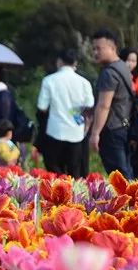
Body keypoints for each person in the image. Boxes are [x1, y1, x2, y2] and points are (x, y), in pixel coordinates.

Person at [36, 49, 95, 178]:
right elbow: (89, 108)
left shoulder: (49, 81)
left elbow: (42, 107)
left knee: (55, 173)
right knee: (75, 174)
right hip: (77, 132)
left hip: (55, 131)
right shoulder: (85, 83)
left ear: (59, 62)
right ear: (75, 63)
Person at [89, 29, 135, 180]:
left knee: (119, 177)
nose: (95, 52)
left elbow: (104, 105)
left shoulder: (109, 73)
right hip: (123, 126)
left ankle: (132, 203)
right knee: (125, 171)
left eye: (99, 48)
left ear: (112, 48)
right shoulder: (123, 68)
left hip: (111, 130)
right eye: (93, 49)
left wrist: (95, 133)